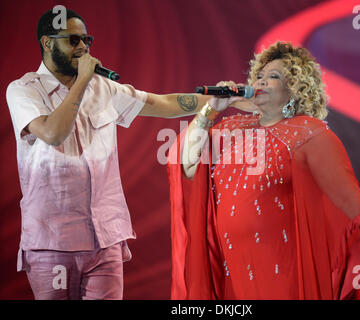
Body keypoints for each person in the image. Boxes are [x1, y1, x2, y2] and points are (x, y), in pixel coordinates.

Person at [167, 41, 360, 299]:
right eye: (259, 76)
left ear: (296, 88)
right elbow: (186, 165)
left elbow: (349, 200)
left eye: (273, 77)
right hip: (231, 270)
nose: (261, 81)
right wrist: (210, 110)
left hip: (283, 270)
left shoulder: (308, 133)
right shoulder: (231, 128)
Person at [5, 8, 216, 300]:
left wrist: (218, 102)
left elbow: (161, 103)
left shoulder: (102, 88)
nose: (83, 48)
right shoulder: (23, 90)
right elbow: (54, 133)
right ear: (47, 42)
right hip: (52, 243)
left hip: (105, 239)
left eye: (87, 40)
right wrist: (81, 82)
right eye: (73, 40)